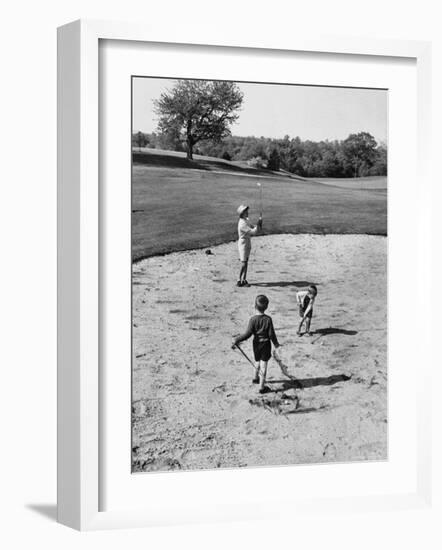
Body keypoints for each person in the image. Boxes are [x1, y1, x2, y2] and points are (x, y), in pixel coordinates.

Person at [232, 294, 280, 394]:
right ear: (266, 307)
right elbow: (271, 334)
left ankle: (255, 378)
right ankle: (262, 387)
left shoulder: (252, 319)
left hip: (256, 344)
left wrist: (237, 339)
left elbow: (247, 334)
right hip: (265, 344)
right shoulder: (268, 319)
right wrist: (276, 344)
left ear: (255, 306)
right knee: (264, 365)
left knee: (257, 361)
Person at [236, 204, 262, 287]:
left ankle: (244, 279)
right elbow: (253, 232)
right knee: (243, 263)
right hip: (243, 244)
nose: (247, 212)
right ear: (242, 213)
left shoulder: (246, 220)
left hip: (247, 242)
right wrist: (258, 224)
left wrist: (258, 224)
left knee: (246, 262)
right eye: (245, 211)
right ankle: (238, 280)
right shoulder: (242, 224)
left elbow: (253, 227)